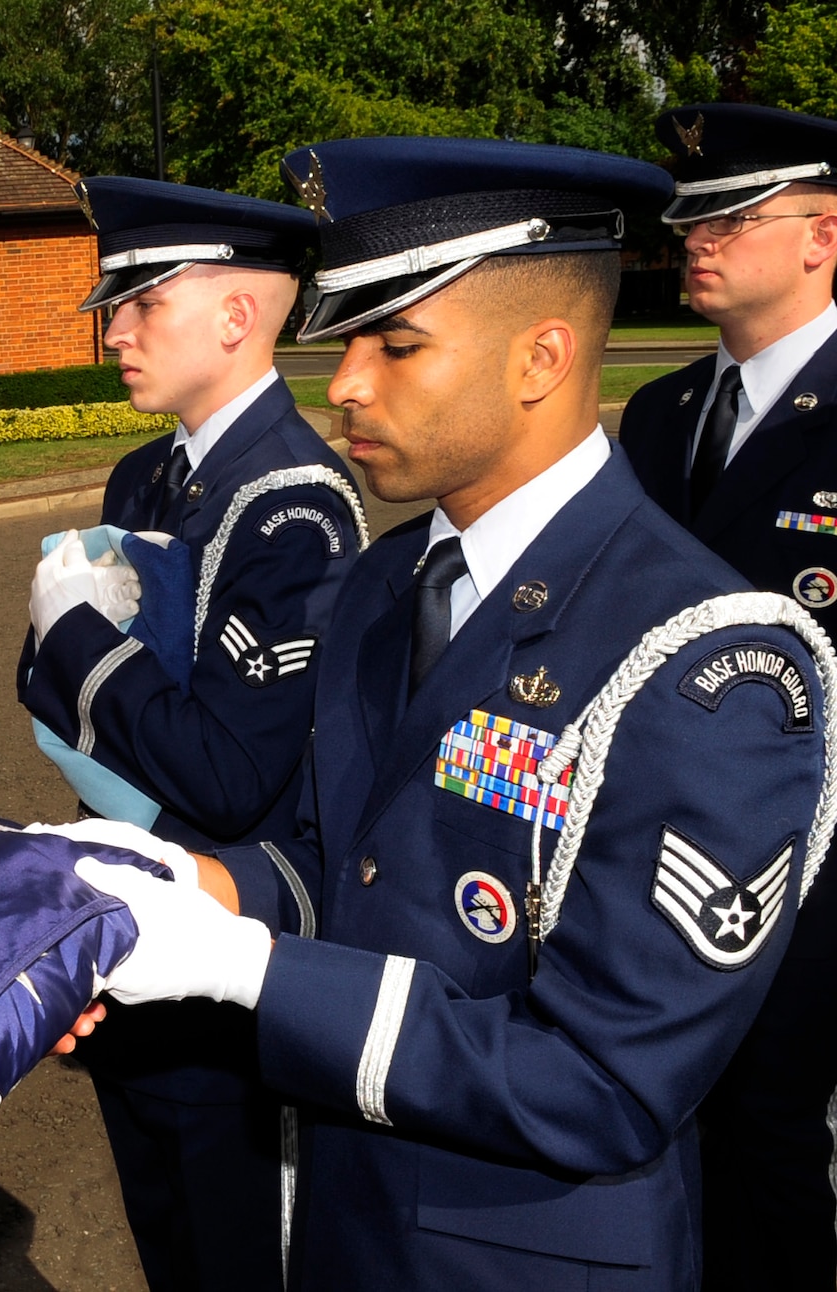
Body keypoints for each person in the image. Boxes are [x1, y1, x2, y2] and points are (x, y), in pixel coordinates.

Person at [72, 136, 836, 1290]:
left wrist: (246, 970)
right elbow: (349, 859)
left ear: (540, 355)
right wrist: (173, 892)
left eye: (397, 342)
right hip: (341, 1216)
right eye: (346, 340)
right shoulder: (384, 587)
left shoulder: (713, 656)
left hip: (522, 1250)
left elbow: (608, 1080)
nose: (342, 383)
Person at [17, 177, 362, 1291]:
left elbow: (229, 771)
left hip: (220, 968)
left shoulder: (291, 503)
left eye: (141, 301)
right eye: (112, 304)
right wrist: (77, 677)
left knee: (233, 1256)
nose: (112, 328)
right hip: (128, 934)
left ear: (235, 317)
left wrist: (73, 636)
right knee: (164, 1239)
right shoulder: (148, 472)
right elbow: (43, 707)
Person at [619, 102, 837, 1292]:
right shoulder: (657, 415)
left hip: (812, 860)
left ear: (821, 236)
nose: (694, 235)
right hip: (657, 840)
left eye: (730, 215)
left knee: (766, 1124)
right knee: (668, 1113)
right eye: (688, 214)